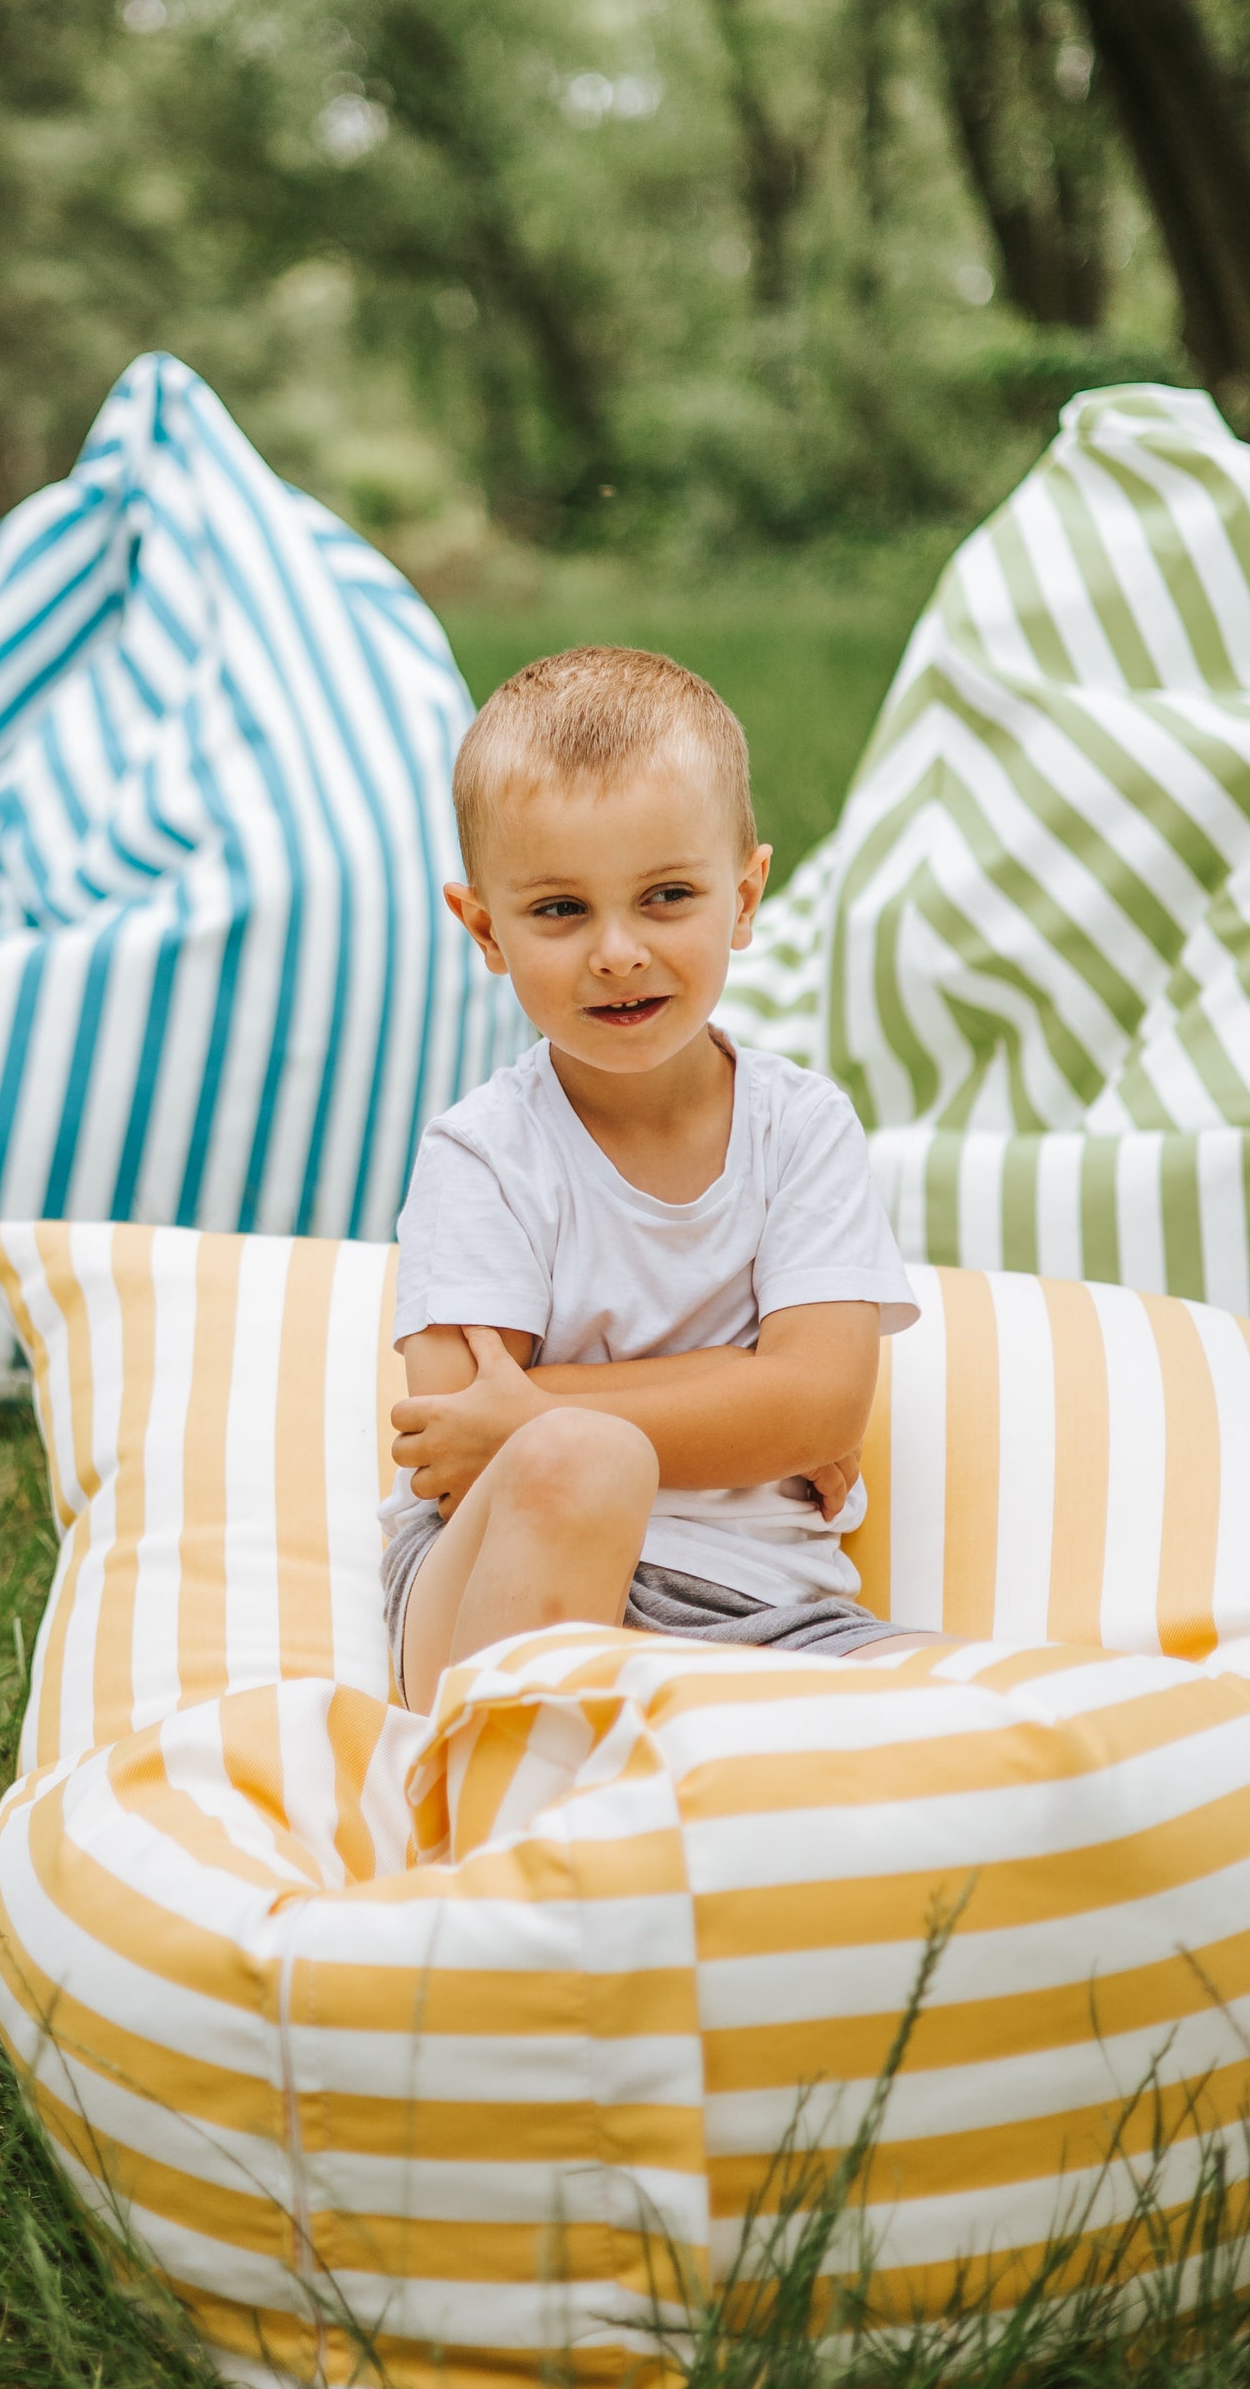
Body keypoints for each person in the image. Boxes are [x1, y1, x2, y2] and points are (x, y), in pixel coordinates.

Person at [384, 642, 941, 1712]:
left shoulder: (801, 1129)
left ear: (743, 897)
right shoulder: (484, 1152)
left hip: (769, 1616)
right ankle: (492, 1829)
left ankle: (671, 1804)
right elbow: (461, 1438)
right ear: (484, 929)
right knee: (581, 1466)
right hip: (499, 1592)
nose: (617, 951)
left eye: (667, 896)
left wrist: (537, 1405)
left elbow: (819, 1401)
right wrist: (737, 1401)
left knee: (993, 1712)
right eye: (557, 911)